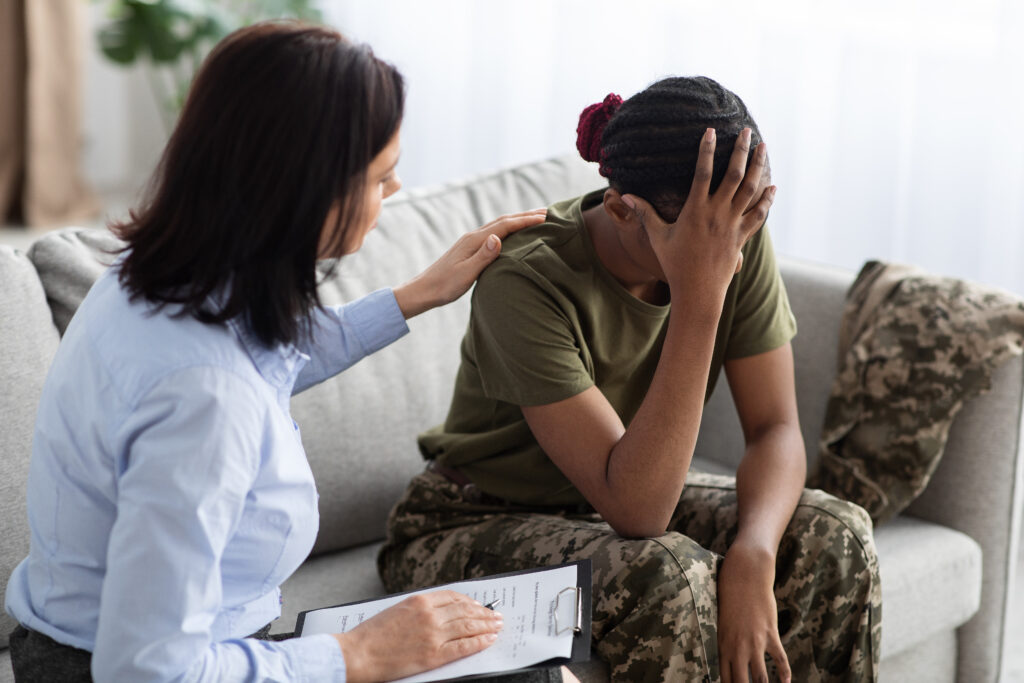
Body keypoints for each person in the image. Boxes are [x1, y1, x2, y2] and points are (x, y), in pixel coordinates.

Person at [3, 21, 579, 683]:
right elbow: (145, 670)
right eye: (381, 175)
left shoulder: (162, 277)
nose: (394, 191)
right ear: (306, 191)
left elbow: (261, 353)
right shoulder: (204, 395)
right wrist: (358, 653)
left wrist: (416, 295)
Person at [378, 77, 882, 682]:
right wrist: (700, 296)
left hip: (600, 510)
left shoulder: (730, 232)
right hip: (467, 518)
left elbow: (775, 428)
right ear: (621, 208)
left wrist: (753, 553)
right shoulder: (526, 278)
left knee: (836, 534)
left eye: (748, 218)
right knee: (664, 570)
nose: (732, 244)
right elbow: (638, 512)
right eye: (704, 233)